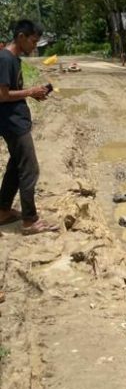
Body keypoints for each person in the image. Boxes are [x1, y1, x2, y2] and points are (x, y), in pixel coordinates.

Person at [0, 19, 59, 236]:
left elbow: (11, 91)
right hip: (12, 123)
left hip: (15, 120)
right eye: (33, 41)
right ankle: (29, 221)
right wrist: (30, 92)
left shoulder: (13, 59)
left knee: (16, 167)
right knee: (29, 169)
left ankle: (3, 211)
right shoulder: (5, 59)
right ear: (21, 37)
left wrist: (33, 94)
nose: (35, 46)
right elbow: (2, 95)